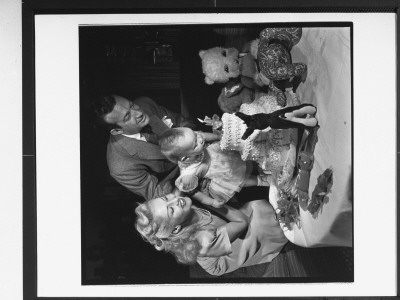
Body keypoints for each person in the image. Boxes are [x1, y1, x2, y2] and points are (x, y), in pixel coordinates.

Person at [134, 193, 288, 276]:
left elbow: (177, 192)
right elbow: (242, 222)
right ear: (175, 230)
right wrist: (211, 203)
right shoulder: (203, 241)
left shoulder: (179, 206)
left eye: (166, 198)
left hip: (217, 229)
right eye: (171, 210)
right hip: (220, 255)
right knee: (260, 220)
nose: (175, 200)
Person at [93, 94, 197, 200]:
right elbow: (157, 195)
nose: (139, 113)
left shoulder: (145, 103)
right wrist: (189, 172)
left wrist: (195, 140)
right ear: (117, 131)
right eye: (128, 116)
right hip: (187, 186)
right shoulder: (119, 167)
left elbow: (182, 121)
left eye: (132, 105)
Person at [158, 127, 271, 208]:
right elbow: (193, 193)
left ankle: (261, 161)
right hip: (222, 174)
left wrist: (217, 136)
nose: (200, 139)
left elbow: (203, 135)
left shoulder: (192, 138)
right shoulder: (188, 175)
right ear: (185, 158)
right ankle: (262, 180)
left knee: (241, 156)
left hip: (219, 154)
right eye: (195, 144)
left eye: (195, 135)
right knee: (242, 180)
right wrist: (211, 202)